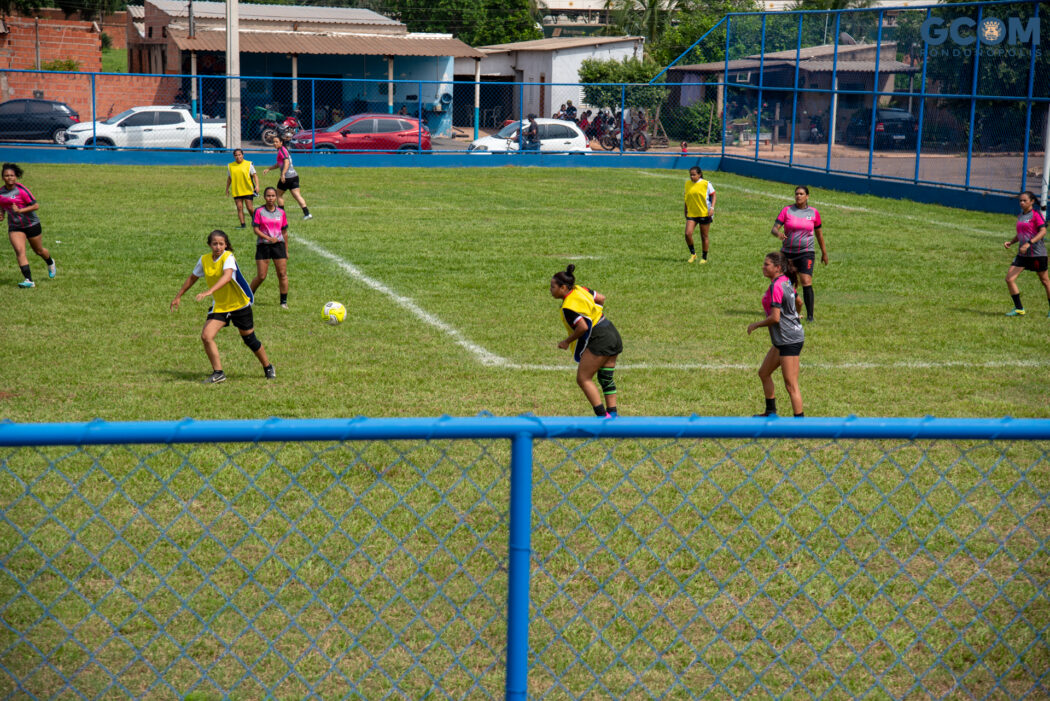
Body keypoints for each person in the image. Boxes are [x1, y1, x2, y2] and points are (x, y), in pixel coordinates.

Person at [170, 229, 275, 383]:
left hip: (238, 304)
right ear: (209, 245)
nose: (218, 247)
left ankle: (268, 366)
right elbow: (192, 278)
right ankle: (218, 373)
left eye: (221, 244)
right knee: (206, 336)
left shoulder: (228, 257)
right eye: (215, 244)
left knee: (249, 339)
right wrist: (178, 296)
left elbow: (227, 277)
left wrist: (209, 291)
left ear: (226, 245)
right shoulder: (204, 260)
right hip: (220, 305)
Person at [550, 264, 623, 418]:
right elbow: (601, 298)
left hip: (600, 338)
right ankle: (613, 416)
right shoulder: (580, 289)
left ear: (563, 288)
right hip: (611, 330)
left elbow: (582, 327)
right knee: (605, 377)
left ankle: (602, 418)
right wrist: (595, 315)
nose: (551, 290)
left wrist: (566, 341)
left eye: (553, 287)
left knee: (583, 378)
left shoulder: (568, 307)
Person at [747, 251, 805, 417]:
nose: (763, 267)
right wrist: (795, 314)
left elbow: (775, 317)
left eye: (767, 264)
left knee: (791, 384)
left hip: (789, 340)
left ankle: (800, 424)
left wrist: (756, 325)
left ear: (778, 267)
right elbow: (798, 301)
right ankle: (770, 412)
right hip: (783, 340)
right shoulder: (785, 281)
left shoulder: (776, 286)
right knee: (764, 373)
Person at [771, 185, 827, 322]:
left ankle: (810, 316)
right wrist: (778, 233)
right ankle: (785, 310)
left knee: (806, 281)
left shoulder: (814, 213)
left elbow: (819, 235)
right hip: (787, 253)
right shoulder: (787, 210)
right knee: (786, 283)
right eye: (796, 194)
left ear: (807, 196)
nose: (798, 196)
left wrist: (824, 253)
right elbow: (774, 229)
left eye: (801, 194)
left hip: (806, 253)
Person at [1, 163, 55, 289]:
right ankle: (29, 280)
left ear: (16, 177)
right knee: (20, 251)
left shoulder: (22, 190)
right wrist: (1, 214)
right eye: (6, 175)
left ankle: (50, 262)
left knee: (39, 250)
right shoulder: (1, 192)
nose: (9, 178)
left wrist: (20, 211)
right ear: (2, 177)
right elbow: (2, 205)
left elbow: (35, 206)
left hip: (31, 224)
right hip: (15, 226)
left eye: (12, 175)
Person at [1003, 190, 1050, 316]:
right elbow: (1021, 234)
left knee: (1045, 281)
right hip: (1023, 254)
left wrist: (1029, 243)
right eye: (1020, 201)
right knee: (1009, 279)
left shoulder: (1036, 215)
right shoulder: (1021, 216)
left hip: (1037, 254)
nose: (1022, 203)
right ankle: (1019, 308)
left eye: (1025, 200)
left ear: (1032, 202)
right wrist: (1011, 242)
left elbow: (1043, 232)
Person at [251, 187, 290, 309]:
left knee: (282, 274)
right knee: (261, 276)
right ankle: (248, 297)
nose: (270, 198)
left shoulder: (281, 212)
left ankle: (283, 302)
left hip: (279, 246)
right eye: (268, 196)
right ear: (264, 197)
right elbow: (256, 230)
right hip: (263, 246)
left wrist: (286, 250)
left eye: (273, 196)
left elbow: (284, 232)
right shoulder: (259, 211)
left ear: (276, 197)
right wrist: (267, 238)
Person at [262, 135, 312, 220]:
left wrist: (283, 174)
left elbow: (286, 162)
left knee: (278, 195)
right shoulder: (283, 150)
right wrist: (269, 169)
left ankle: (281, 215)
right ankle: (307, 214)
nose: (274, 143)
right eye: (273, 142)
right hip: (294, 176)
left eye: (276, 142)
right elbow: (279, 164)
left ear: (281, 143)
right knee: (297, 195)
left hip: (287, 178)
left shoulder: (282, 151)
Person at [683, 166, 716, 264]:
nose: (692, 177)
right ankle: (693, 254)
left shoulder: (706, 184)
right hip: (692, 213)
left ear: (699, 174)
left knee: (704, 236)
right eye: (690, 175)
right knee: (687, 233)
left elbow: (714, 195)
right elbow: (686, 197)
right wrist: (685, 209)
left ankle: (704, 257)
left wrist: (712, 208)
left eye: (694, 175)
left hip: (704, 213)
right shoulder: (687, 184)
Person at [225, 148, 259, 229]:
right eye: (236, 155)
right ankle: (243, 225)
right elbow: (229, 178)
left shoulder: (248, 164)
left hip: (247, 190)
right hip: (237, 190)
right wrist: (227, 188)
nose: (238, 157)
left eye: (239, 155)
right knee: (239, 208)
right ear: (234, 156)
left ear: (243, 155)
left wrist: (257, 185)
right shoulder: (230, 166)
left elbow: (254, 175)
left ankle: (256, 221)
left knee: (250, 208)